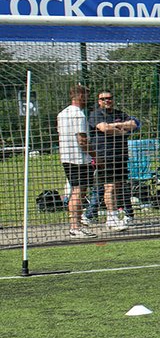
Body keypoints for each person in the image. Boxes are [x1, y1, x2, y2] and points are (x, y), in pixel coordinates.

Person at [88, 89, 139, 232]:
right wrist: (121, 128)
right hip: (105, 156)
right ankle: (111, 218)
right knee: (108, 187)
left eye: (109, 98)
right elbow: (103, 128)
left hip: (120, 155)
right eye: (103, 99)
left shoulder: (119, 113)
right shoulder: (95, 114)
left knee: (118, 186)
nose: (107, 101)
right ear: (99, 101)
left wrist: (115, 126)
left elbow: (134, 124)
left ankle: (117, 216)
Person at [57, 84, 96, 239]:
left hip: (66, 156)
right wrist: (95, 156)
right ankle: (75, 226)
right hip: (78, 159)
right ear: (80, 96)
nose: (87, 99)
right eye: (86, 95)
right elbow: (82, 140)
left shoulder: (62, 113)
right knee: (78, 191)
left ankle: (77, 224)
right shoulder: (78, 115)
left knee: (78, 190)